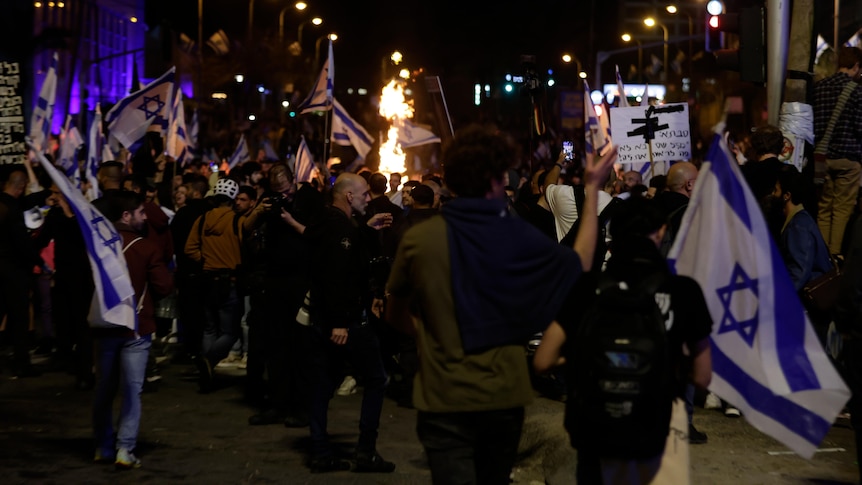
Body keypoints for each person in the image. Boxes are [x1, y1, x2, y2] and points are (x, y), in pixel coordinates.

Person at [385, 124, 617, 484]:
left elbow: (396, 314)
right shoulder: (519, 235)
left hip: (442, 396)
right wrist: (591, 189)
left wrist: (431, 336)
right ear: (497, 181)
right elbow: (582, 263)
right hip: (503, 397)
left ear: (449, 181)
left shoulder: (419, 239)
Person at [534, 197, 712, 484]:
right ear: (661, 231)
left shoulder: (586, 287)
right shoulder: (684, 291)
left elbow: (543, 361)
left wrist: (590, 356)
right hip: (653, 429)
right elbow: (703, 376)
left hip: (594, 432)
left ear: (614, 235)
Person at [280, 172, 395, 473]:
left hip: (324, 318)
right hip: (345, 320)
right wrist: (340, 323)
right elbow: (337, 277)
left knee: (323, 383)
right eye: (365, 194)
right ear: (349, 196)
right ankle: (365, 452)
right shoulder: (340, 228)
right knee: (376, 379)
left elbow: (323, 241)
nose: (369, 199)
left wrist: (365, 230)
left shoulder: (328, 221)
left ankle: (320, 451)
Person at [91, 190, 173, 469]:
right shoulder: (145, 248)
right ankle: (125, 449)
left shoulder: (98, 246)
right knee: (131, 390)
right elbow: (164, 286)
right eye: (140, 212)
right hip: (136, 329)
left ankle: (103, 445)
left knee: (104, 389)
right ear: (126, 215)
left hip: (105, 327)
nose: (144, 216)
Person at [184, 178, 245, 392]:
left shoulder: (202, 220)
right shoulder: (238, 221)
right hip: (229, 280)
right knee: (230, 331)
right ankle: (208, 361)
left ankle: (207, 372)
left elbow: (190, 249)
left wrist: (206, 259)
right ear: (233, 199)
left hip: (207, 279)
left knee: (210, 328)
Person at [814, 46, 862, 256]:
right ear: (856, 66)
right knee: (842, 209)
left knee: (824, 208)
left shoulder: (820, 87)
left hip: (822, 159)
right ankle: (834, 257)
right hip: (848, 158)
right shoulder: (858, 91)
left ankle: (823, 260)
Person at [0, 166, 41, 377]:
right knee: (19, 317)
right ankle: (21, 363)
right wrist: (38, 260)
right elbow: (21, 242)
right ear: (21, 186)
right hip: (13, 271)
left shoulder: (2, 204)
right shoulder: (13, 209)